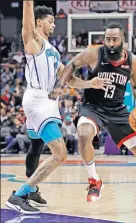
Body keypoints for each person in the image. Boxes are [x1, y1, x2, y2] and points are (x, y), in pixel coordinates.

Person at [6, 1, 108, 214]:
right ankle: (20, 195)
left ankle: (30, 189)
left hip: (46, 102)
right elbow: (27, 20)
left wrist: (90, 83)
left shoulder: (53, 51)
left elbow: (68, 79)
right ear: (38, 23)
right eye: (50, 21)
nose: (53, 25)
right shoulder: (34, 42)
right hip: (38, 101)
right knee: (60, 154)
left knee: (37, 148)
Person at [60, 22, 136, 212]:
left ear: (122, 41)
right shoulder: (94, 53)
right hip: (93, 107)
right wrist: (73, 84)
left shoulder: (133, 61)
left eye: (114, 39)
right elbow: (71, 65)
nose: (110, 43)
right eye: (107, 39)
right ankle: (94, 180)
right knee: (84, 135)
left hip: (118, 109)